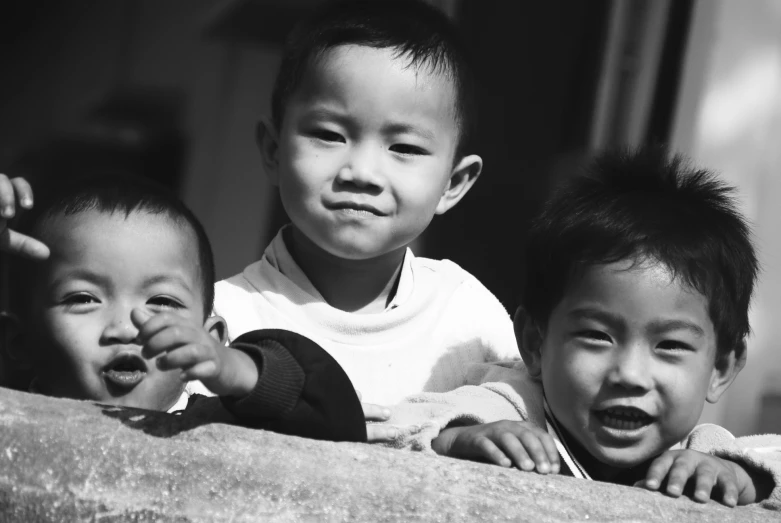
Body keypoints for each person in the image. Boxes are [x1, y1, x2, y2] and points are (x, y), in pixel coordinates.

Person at [385, 148, 781, 507]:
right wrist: (455, 440)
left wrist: (745, 478)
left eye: (670, 345)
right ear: (535, 343)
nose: (629, 374)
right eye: (597, 336)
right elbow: (392, 428)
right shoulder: (506, 408)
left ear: (722, 367)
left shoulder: (701, 454)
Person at [213, 0, 519, 420]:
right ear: (273, 149)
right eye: (329, 134)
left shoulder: (470, 321)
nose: (362, 172)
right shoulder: (223, 319)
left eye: (405, 148)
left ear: (453, 182)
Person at [0, 174, 366, 442]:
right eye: (83, 299)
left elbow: (339, 425)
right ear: (18, 341)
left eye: (162, 301)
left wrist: (242, 372)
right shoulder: (10, 422)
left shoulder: (214, 429)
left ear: (213, 339)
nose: (126, 328)